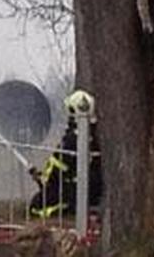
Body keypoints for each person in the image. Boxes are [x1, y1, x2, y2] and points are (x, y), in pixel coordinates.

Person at [30, 89, 101, 220]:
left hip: (72, 191)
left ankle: (68, 209)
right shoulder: (97, 134)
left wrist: (43, 180)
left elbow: (57, 168)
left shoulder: (71, 140)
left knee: (35, 207)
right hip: (94, 190)